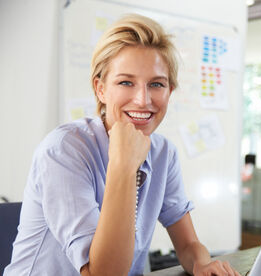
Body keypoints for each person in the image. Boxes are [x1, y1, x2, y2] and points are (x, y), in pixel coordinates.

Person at [5, 14, 239, 276]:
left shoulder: (163, 153)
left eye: (156, 84)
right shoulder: (63, 150)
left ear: (169, 91)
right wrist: (123, 163)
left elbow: (188, 244)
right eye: (126, 82)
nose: (142, 100)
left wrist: (202, 263)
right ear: (101, 89)